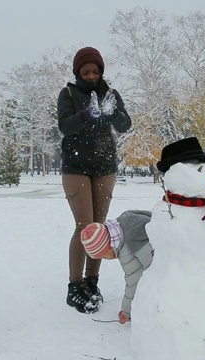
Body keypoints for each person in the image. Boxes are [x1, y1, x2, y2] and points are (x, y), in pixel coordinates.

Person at [56, 46, 132, 313]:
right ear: (78, 72)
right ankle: (74, 286)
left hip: (105, 168)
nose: (91, 75)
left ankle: (92, 281)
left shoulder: (111, 95)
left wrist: (112, 113)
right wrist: (86, 114)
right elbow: (64, 126)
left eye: (95, 71)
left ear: (101, 71)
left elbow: (125, 124)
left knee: (99, 228)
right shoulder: (68, 94)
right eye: (86, 71)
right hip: (76, 168)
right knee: (84, 226)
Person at [80, 210, 154, 324]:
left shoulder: (125, 249)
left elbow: (133, 280)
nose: (107, 259)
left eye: (104, 256)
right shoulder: (126, 218)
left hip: (172, 268)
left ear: (108, 247)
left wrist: (126, 312)